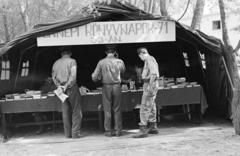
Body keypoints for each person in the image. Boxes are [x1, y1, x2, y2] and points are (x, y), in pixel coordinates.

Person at [92, 46, 125, 137]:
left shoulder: (101, 62)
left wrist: (98, 77)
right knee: (117, 109)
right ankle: (118, 130)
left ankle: (108, 131)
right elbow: (123, 71)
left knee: (107, 109)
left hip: (106, 86)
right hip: (117, 86)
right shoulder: (120, 61)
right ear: (115, 52)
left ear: (106, 52)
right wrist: (117, 58)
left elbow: (94, 77)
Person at [52, 47, 82, 139]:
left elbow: (53, 77)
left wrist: (59, 86)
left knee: (65, 111)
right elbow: (73, 76)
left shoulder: (56, 63)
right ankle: (75, 134)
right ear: (70, 53)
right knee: (76, 110)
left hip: (61, 89)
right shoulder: (72, 61)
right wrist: (66, 85)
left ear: (61, 54)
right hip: (71, 88)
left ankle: (67, 134)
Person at [133, 47, 160, 138]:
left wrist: (149, 85)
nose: (140, 58)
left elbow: (154, 73)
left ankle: (143, 129)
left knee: (144, 107)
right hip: (151, 84)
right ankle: (153, 127)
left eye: (140, 56)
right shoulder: (150, 59)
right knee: (151, 106)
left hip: (149, 84)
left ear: (141, 54)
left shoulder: (149, 59)